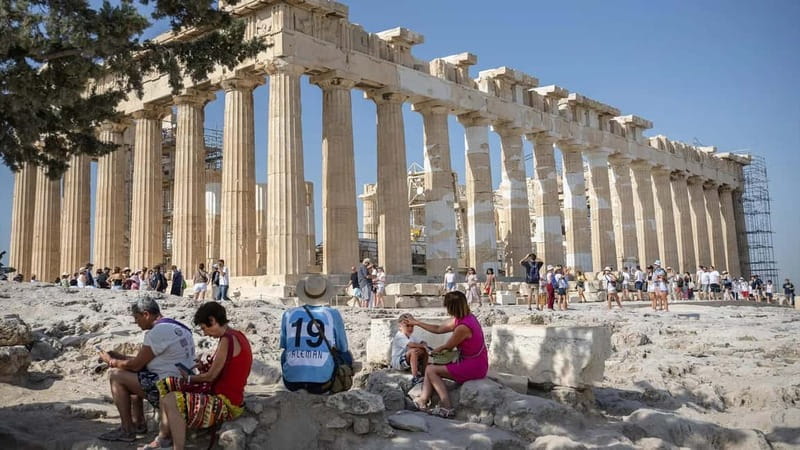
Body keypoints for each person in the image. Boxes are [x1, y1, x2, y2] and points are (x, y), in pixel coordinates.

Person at [149, 302, 252, 450]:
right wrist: (203, 367)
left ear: (212, 321)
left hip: (227, 402)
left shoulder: (227, 340)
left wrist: (189, 378)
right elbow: (224, 369)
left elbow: (210, 377)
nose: (205, 333)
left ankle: (178, 446)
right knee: (166, 384)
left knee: (171, 399)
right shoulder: (237, 335)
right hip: (225, 394)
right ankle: (163, 437)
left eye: (204, 328)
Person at [97, 298, 195, 443]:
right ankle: (138, 423)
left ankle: (127, 430)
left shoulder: (157, 332)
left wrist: (111, 362)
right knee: (134, 375)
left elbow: (136, 365)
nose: (136, 323)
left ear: (146, 314)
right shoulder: (177, 327)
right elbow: (146, 361)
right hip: (183, 383)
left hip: (168, 387)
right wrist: (121, 357)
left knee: (116, 376)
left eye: (137, 318)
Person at [406, 291, 488, 419]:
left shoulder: (463, 327)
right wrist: (418, 323)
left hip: (474, 366)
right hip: (475, 360)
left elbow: (448, 346)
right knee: (430, 368)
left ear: (452, 307)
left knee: (431, 370)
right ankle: (422, 400)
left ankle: (447, 407)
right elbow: (439, 329)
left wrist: (435, 350)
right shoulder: (466, 317)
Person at [280, 276, 352, 394]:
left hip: (291, 383)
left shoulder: (288, 314)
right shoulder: (332, 314)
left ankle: (296, 374)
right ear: (325, 293)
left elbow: (285, 345)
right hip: (323, 383)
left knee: (285, 353)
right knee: (345, 355)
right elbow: (342, 347)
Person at [391, 313, 428, 385]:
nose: (410, 328)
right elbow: (411, 344)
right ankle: (415, 377)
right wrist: (422, 345)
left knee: (424, 351)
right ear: (400, 326)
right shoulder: (399, 336)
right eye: (407, 326)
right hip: (398, 362)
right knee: (413, 351)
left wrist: (424, 344)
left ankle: (424, 373)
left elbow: (421, 341)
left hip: (406, 360)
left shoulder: (411, 336)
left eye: (412, 326)